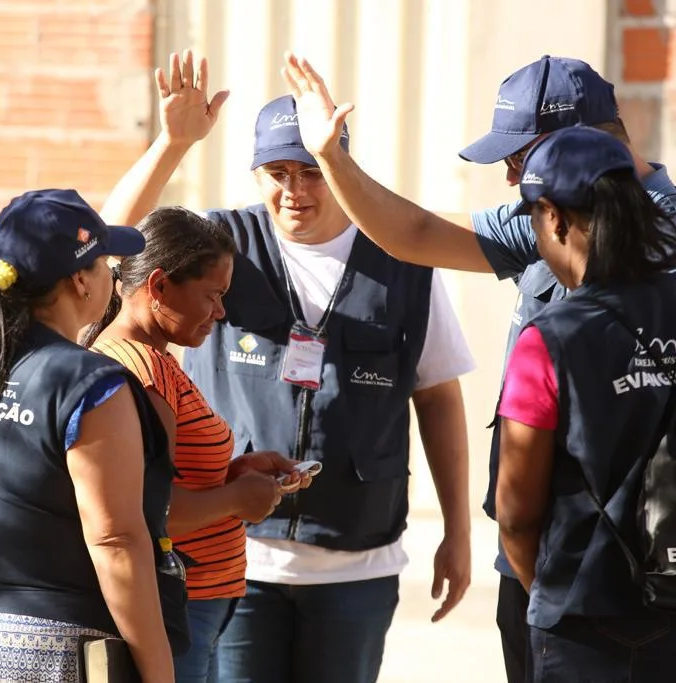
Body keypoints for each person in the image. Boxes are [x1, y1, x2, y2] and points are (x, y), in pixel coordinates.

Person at [279, 51, 676, 683]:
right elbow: (413, 233)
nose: (512, 180)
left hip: (625, 575)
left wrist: (552, 588)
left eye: (519, 161)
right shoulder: (545, 219)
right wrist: (330, 157)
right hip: (557, 567)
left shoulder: (588, 220)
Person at [101, 49, 475, 683]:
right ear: (254, 173)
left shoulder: (403, 255)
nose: (293, 191)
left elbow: (438, 396)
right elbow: (112, 239)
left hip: (359, 564)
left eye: (310, 171)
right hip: (234, 556)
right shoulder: (221, 245)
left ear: (338, 168)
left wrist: (457, 532)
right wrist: (172, 142)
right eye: (276, 171)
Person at [0, 189, 184, 683]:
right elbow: (116, 540)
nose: (113, 280)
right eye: (105, 265)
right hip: (48, 649)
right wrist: (159, 673)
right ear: (80, 279)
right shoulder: (89, 384)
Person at [82, 205, 311, 683]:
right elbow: (147, 507)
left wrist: (233, 473)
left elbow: (166, 477)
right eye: (213, 295)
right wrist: (235, 500)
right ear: (160, 285)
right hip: (178, 606)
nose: (221, 312)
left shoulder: (153, 360)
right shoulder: (143, 371)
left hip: (196, 604)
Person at [493, 126, 676, 682]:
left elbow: (517, 515)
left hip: (584, 618)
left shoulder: (548, 341)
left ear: (553, 216)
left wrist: (552, 597)